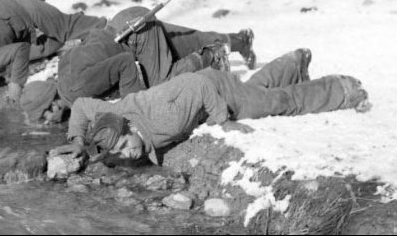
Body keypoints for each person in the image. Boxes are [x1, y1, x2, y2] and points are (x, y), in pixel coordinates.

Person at [49, 48, 372, 165]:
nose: (126, 154)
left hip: (214, 88)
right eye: (119, 153)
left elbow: (198, 86)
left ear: (131, 127)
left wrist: (222, 119)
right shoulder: (115, 114)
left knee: (277, 104)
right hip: (199, 90)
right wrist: (76, 140)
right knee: (256, 91)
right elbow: (81, 105)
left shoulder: (166, 120)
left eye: (124, 146)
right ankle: (293, 61)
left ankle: (343, 89)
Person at [55, 5, 256, 109]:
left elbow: (124, 63)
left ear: (52, 102)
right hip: (122, 22)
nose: (49, 118)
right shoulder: (62, 71)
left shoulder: (79, 89)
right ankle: (240, 40)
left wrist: (132, 105)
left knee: (159, 83)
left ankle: (212, 54)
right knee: (184, 42)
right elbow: (84, 45)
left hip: (134, 33)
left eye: (47, 112)